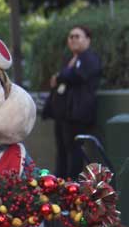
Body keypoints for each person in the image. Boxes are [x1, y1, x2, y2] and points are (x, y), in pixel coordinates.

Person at [44, 25, 102, 179]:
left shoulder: (90, 58)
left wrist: (60, 76)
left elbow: (78, 76)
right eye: (71, 36)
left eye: (78, 36)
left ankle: (72, 185)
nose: (73, 39)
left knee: (74, 151)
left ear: (87, 40)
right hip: (63, 114)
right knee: (62, 151)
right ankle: (60, 183)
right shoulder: (69, 59)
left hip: (77, 115)